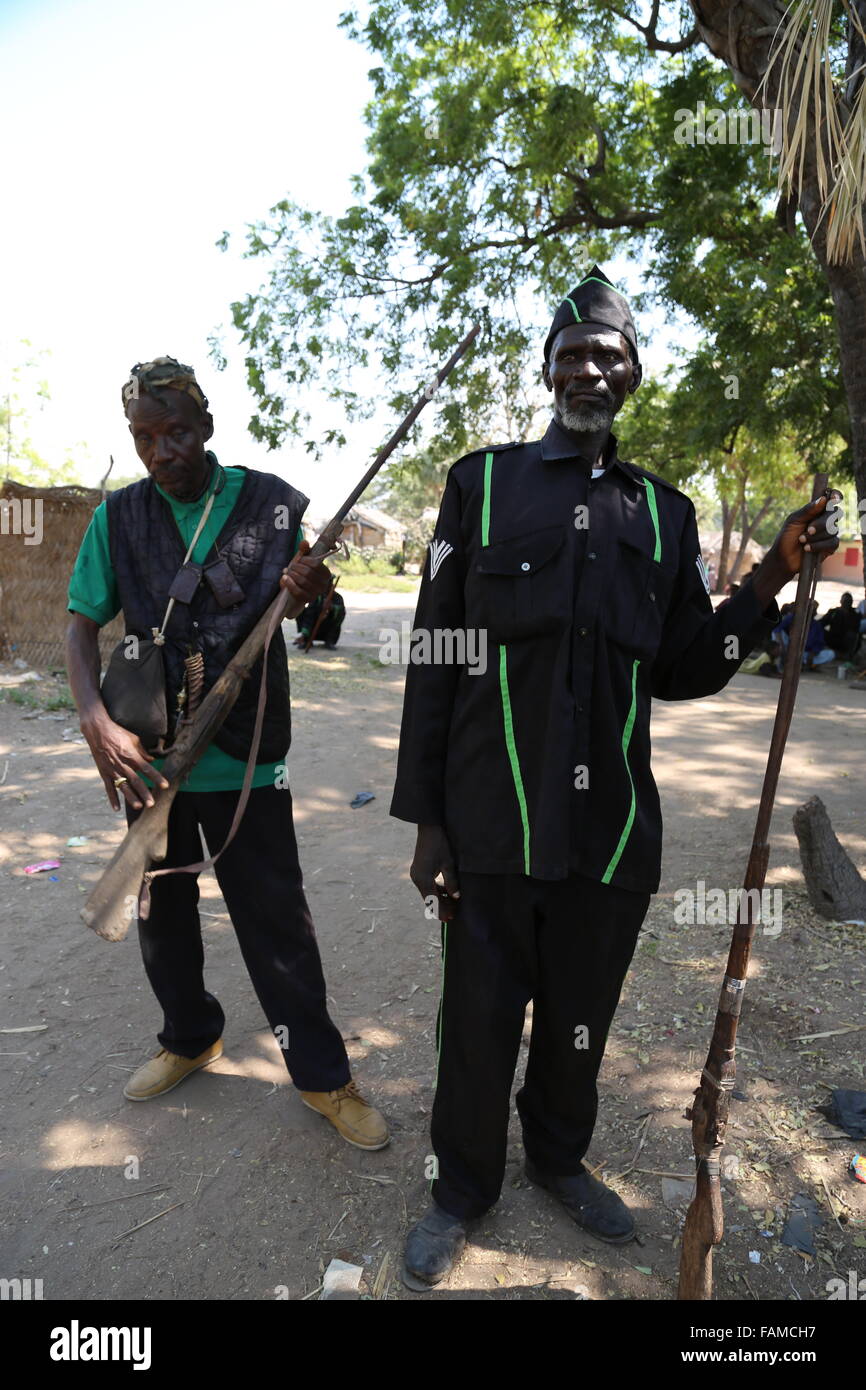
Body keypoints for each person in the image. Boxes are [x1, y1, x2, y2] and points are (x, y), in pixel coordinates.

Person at [389, 267, 840, 1289]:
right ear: (547, 368)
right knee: (477, 1014)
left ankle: (555, 1154)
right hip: (489, 815)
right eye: (571, 352)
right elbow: (436, 652)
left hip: (612, 826)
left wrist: (768, 575)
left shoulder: (662, 515)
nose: (588, 367)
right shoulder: (481, 484)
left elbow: (683, 667)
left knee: (581, 1012)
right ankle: (460, 1187)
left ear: (631, 374)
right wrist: (425, 821)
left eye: (608, 354)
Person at [66, 357, 388, 1151]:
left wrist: (312, 592)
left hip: (245, 759)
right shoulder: (118, 519)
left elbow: (315, 611)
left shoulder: (271, 505)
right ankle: (189, 1037)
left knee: (276, 922)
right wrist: (94, 721)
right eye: (146, 437)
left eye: (177, 431)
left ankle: (322, 1076)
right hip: (147, 759)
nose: (163, 450)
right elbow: (80, 625)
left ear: (206, 426)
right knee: (162, 918)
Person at [294, 585, 346, 650]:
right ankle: (306, 640)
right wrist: (304, 633)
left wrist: (332, 608)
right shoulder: (316, 597)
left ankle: (329, 641)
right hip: (313, 626)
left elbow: (341, 612)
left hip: (328, 627)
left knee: (340, 614)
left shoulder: (338, 597)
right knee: (300, 612)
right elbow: (309, 614)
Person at [821, 591, 861, 660]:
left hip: (846, 639)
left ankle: (848, 655)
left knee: (852, 635)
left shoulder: (855, 613)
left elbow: (855, 628)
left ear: (852, 602)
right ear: (841, 601)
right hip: (833, 637)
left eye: (849, 601)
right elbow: (822, 623)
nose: (847, 603)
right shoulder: (833, 611)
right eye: (845, 600)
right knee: (819, 630)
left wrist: (846, 615)